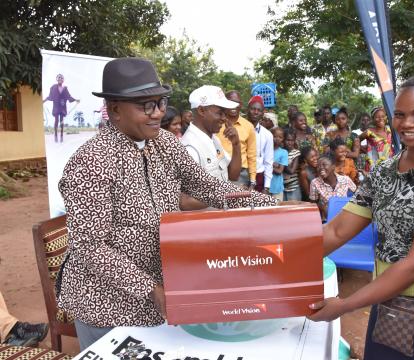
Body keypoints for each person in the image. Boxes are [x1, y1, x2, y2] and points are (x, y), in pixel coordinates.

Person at [56, 58, 278, 350]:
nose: (157, 113)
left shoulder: (165, 144)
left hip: (161, 296)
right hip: (108, 306)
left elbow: (207, 186)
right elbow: (90, 246)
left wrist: (269, 206)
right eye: (145, 106)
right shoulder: (91, 163)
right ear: (114, 110)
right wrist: (150, 289)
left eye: (160, 103)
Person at [308, 74, 414, 360]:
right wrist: (276, 263)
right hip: (385, 301)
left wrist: (345, 304)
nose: (407, 123)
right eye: (399, 114)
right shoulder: (384, 171)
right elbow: (337, 231)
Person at [179, 85, 242, 210]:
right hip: (204, 225)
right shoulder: (190, 148)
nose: (224, 119)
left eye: (225, 113)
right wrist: (229, 195)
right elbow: (184, 202)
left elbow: (233, 176)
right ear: (201, 111)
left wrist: (236, 144)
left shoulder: (214, 139)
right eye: (220, 113)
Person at [217, 90, 257, 189]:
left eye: (237, 102)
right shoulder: (216, 123)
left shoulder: (248, 126)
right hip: (218, 169)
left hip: (241, 174)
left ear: (241, 105)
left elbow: (252, 155)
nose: (234, 105)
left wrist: (252, 180)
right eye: (230, 101)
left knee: (238, 203)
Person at [309, 152, 356, 220]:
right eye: (318, 166)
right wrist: (322, 207)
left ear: (333, 166)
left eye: (324, 165)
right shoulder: (315, 183)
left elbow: (357, 195)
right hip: (327, 220)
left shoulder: (345, 180)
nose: (321, 168)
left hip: (345, 218)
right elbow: (313, 203)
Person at [247, 95, 273, 193]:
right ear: (247, 109)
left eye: (259, 110)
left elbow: (268, 162)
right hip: (241, 176)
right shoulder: (239, 130)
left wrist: (266, 187)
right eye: (253, 109)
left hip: (259, 177)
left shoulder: (267, 135)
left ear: (263, 113)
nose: (256, 112)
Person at [43, 73, 80, 143]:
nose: (60, 79)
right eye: (59, 78)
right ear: (57, 79)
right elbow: (50, 96)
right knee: (56, 120)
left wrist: (75, 99)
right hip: (56, 106)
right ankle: (56, 135)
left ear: (63, 80)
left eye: (61, 78)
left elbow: (69, 97)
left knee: (62, 121)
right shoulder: (53, 87)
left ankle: (62, 136)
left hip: (62, 106)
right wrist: (44, 100)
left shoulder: (65, 89)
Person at [359, 106, 394, 172]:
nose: (381, 119)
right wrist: (363, 149)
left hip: (388, 165)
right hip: (373, 166)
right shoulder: (369, 132)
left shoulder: (389, 130)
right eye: (377, 117)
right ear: (372, 119)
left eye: (383, 116)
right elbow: (356, 140)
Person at [283, 129, 302, 201]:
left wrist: (281, 162)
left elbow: (292, 171)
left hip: (293, 187)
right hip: (282, 188)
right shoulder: (281, 151)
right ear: (284, 140)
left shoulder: (296, 153)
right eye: (288, 140)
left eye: (292, 140)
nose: (290, 143)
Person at [270, 127, 289, 201]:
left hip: (277, 187)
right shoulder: (265, 150)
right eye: (275, 136)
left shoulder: (284, 152)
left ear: (283, 139)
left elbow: (279, 171)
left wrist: (268, 164)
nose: (277, 139)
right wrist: (274, 164)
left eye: (280, 137)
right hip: (265, 186)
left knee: (277, 210)